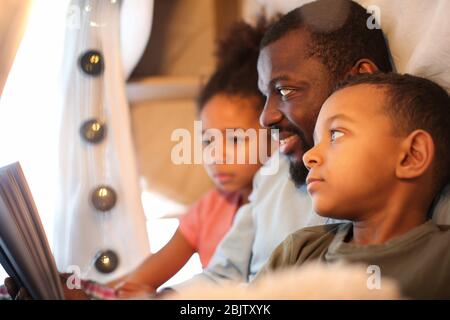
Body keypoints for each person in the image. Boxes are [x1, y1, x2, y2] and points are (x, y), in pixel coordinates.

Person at [174, 0, 397, 289]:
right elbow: (220, 276)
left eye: (285, 90)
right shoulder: (273, 176)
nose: (266, 117)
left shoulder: (407, 176)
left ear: (360, 81)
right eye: (265, 95)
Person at [258, 73, 450, 299]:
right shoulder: (299, 251)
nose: (309, 155)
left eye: (336, 134)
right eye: (316, 141)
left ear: (411, 155)